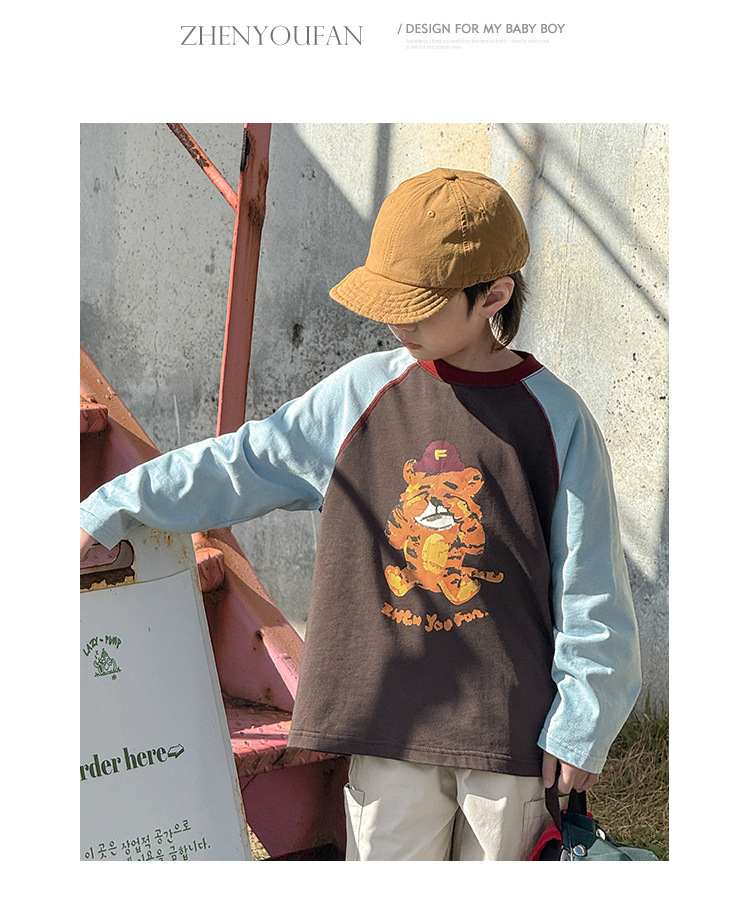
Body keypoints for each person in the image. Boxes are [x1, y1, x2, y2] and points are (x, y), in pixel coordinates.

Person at [80, 167, 642, 861]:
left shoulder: (557, 419)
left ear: (493, 296)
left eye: (420, 307)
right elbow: (243, 463)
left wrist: (582, 723)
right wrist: (115, 502)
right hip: (387, 723)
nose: (398, 323)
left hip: (511, 739)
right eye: (390, 303)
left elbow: (592, 588)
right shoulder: (360, 395)